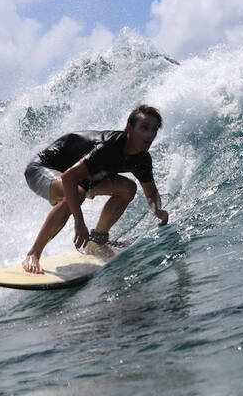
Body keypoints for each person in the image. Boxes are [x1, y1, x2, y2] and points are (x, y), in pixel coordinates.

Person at [21, 105, 169, 274]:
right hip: (41, 169)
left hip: (81, 178)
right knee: (76, 193)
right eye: (144, 128)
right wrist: (79, 222)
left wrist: (159, 211)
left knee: (128, 188)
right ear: (129, 129)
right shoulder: (108, 147)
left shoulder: (141, 159)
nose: (149, 135)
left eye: (154, 130)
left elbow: (150, 193)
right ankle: (33, 254)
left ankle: (97, 242)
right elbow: (68, 178)